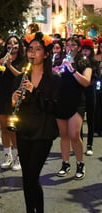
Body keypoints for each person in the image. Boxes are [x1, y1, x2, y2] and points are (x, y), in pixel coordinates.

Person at [13, 32, 61, 213]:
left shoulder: (54, 78)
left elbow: (54, 107)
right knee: (27, 177)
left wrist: (34, 92)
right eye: (30, 49)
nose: (32, 53)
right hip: (24, 129)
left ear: (46, 54)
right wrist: (13, 100)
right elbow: (15, 106)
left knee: (32, 176)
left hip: (43, 131)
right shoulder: (20, 77)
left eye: (38, 49)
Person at [56, 36, 92, 180]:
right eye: (68, 45)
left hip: (77, 102)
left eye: (73, 45)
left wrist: (72, 70)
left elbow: (86, 82)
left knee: (74, 135)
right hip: (61, 100)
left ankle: (80, 163)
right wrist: (57, 71)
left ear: (78, 47)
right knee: (63, 134)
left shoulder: (84, 63)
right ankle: (65, 163)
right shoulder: (60, 61)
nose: (70, 48)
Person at [0, 35, 26, 171]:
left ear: (19, 45)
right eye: (9, 43)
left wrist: (9, 66)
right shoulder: (0, 58)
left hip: (15, 95)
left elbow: (21, 76)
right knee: (4, 128)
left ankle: (19, 158)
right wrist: (0, 65)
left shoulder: (23, 60)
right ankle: (7, 156)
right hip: (1, 94)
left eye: (15, 43)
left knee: (13, 128)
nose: (11, 45)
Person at [80, 39, 100, 156]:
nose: (85, 52)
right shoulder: (79, 61)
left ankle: (89, 144)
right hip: (81, 92)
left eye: (87, 50)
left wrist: (91, 74)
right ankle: (80, 142)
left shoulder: (94, 62)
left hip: (90, 91)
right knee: (80, 118)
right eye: (83, 49)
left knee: (90, 118)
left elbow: (98, 76)